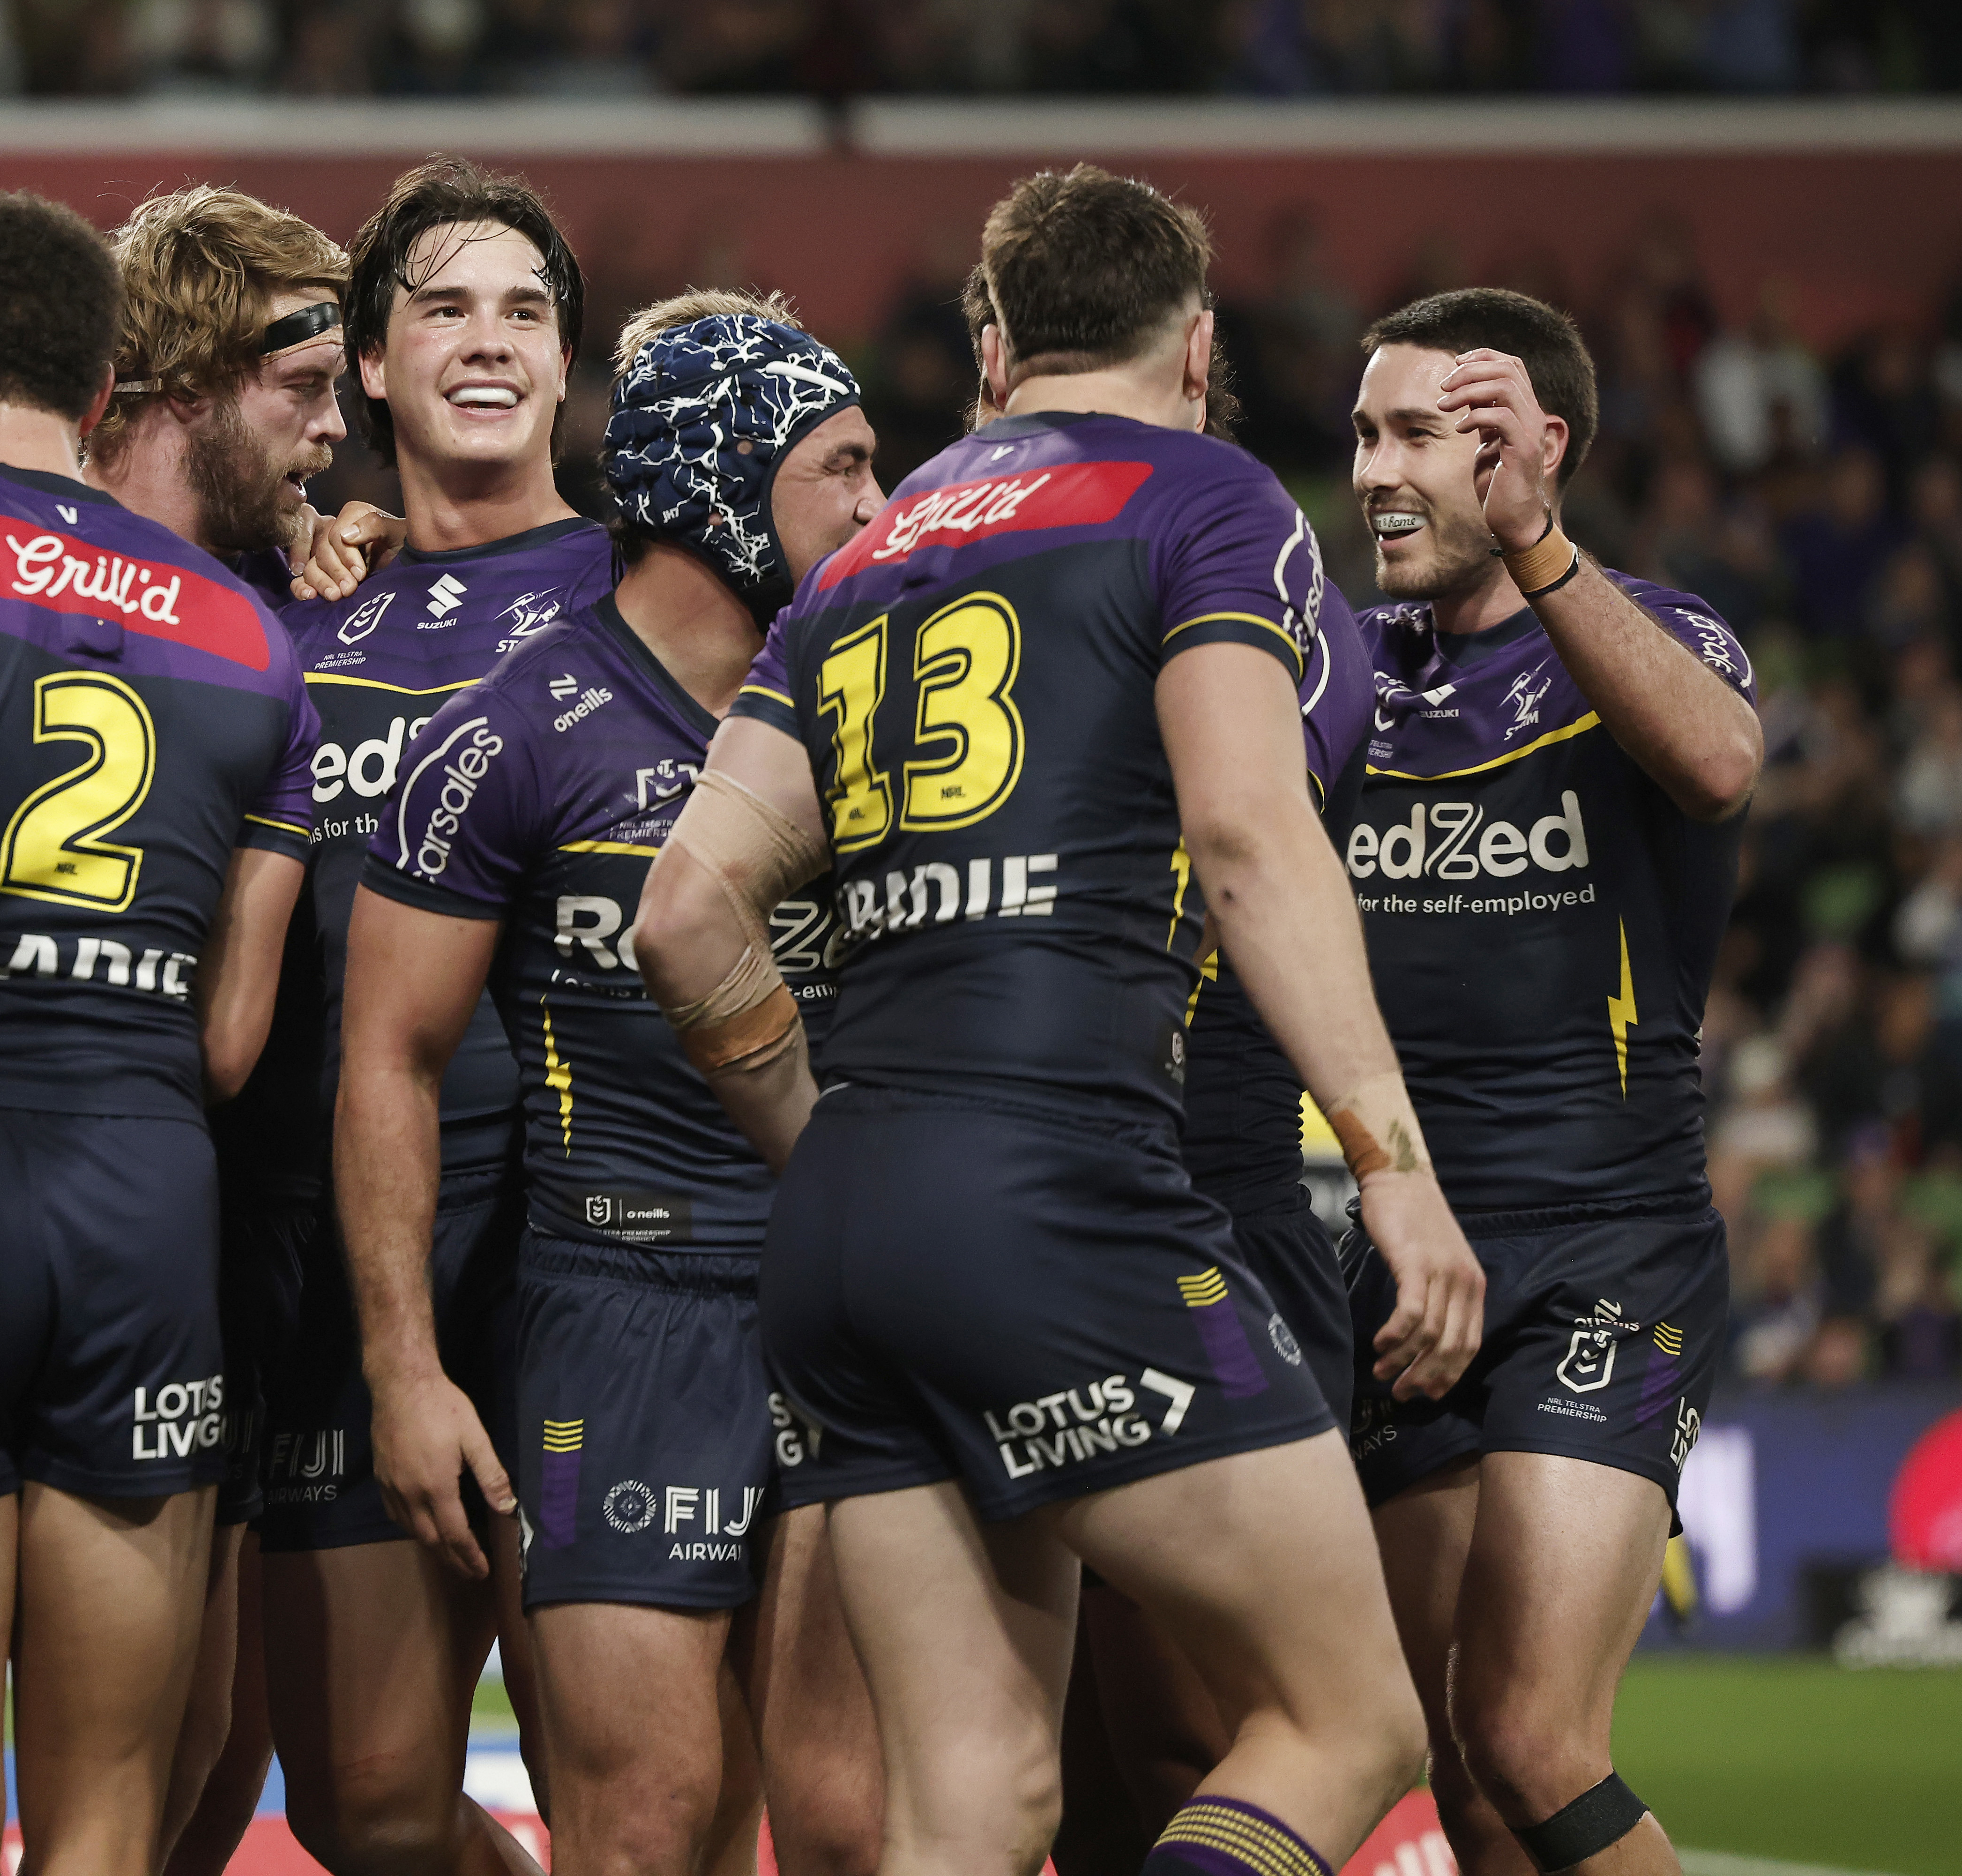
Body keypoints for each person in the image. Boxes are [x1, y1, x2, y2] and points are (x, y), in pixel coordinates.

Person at [630, 164, 1481, 1876]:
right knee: (1350, 1714)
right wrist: (1391, 1162)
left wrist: (834, 1143)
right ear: (1198, 343)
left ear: (996, 343)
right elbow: (1246, 835)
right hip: (1059, 1188)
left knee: (973, 1799)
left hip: (849, 1213)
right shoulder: (1204, 497)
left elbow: (684, 909)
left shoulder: (865, 553)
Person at [0, 187, 325, 1876]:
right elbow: (235, 1039)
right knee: (110, 1813)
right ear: (106, 389)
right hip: (142, 1203)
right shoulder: (252, 638)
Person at [345, 290, 885, 1876]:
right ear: (726, 479)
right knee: (645, 1829)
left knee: (853, 1827)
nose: (875, 506)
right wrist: (402, 1368)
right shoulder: (511, 730)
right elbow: (391, 1055)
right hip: (613, 1302)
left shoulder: (885, 701)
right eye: (841, 466)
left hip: (849, 1295)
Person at [204, 154, 619, 1876]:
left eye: (525, 310)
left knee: (630, 1793)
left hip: (593, 1255)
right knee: (368, 1809)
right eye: (442, 306)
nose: (487, 341)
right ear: (367, 363)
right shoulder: (285, 615)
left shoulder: (651, 591)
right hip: (347, 1255)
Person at [1341, 288, 1762, 1876]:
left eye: (1418, 438)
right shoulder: (1341, 673)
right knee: (1461, 1771)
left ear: (1533, 449)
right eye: (1363, 434)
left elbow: (1718, 764)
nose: (1374, 472)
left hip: (1607, 1242)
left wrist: (1533, 546)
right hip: (1404, 1253)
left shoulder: (1653, 630)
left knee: (1530, 1734)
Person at [1049, 329, 1378, 1876]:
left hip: (1210, 1208)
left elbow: (1236, 821)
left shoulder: (1271, 601)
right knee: (1074, 1773)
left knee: (1205, 1737)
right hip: (1046, 1207)